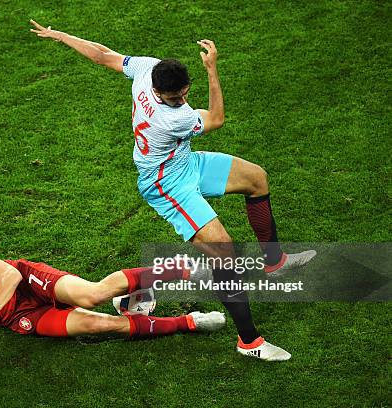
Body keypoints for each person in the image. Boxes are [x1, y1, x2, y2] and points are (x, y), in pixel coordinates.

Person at [30, 20, 316, 361]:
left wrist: (60, 35)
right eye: (175, 97)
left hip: (185, 162)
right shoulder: (175, 118)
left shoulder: (146, 69)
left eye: (184, 93)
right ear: (160, 92)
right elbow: (216, 119)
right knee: (225, 251)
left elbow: (104, 56)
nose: (182, 99)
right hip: (166, 183)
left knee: (256, 178)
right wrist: (212, 70)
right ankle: (249, 342)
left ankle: (274, 262)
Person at [0, 237, 225, 362]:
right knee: (96, 324)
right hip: (17, 318)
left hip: (27, 283)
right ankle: (189, 322)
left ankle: (180, 270)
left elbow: (9, 274)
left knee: (93, 294)